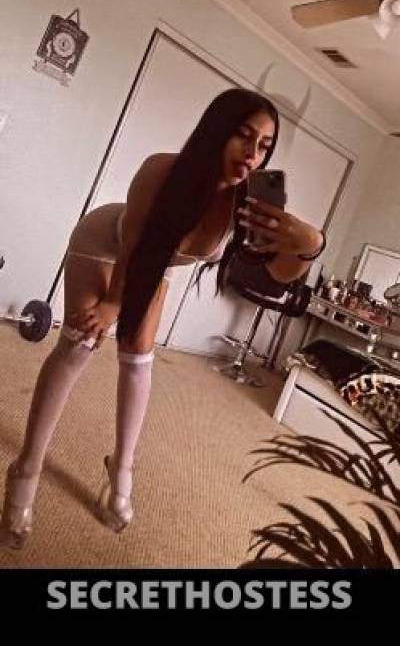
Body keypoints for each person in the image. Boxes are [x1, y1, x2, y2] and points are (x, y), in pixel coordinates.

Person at [0, 88, 324, 547]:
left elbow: (276, 278)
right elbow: (134, 245)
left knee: (138, 359)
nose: (252, 154)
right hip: (105, 242)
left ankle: (122, 469)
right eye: (243, 135)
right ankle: (25, 470)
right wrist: (112, 304)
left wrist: (311, 246)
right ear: (216, 131)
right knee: (79, 344)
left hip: (156, 265)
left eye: (265, 146)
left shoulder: (247, 206)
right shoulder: (162, 170)